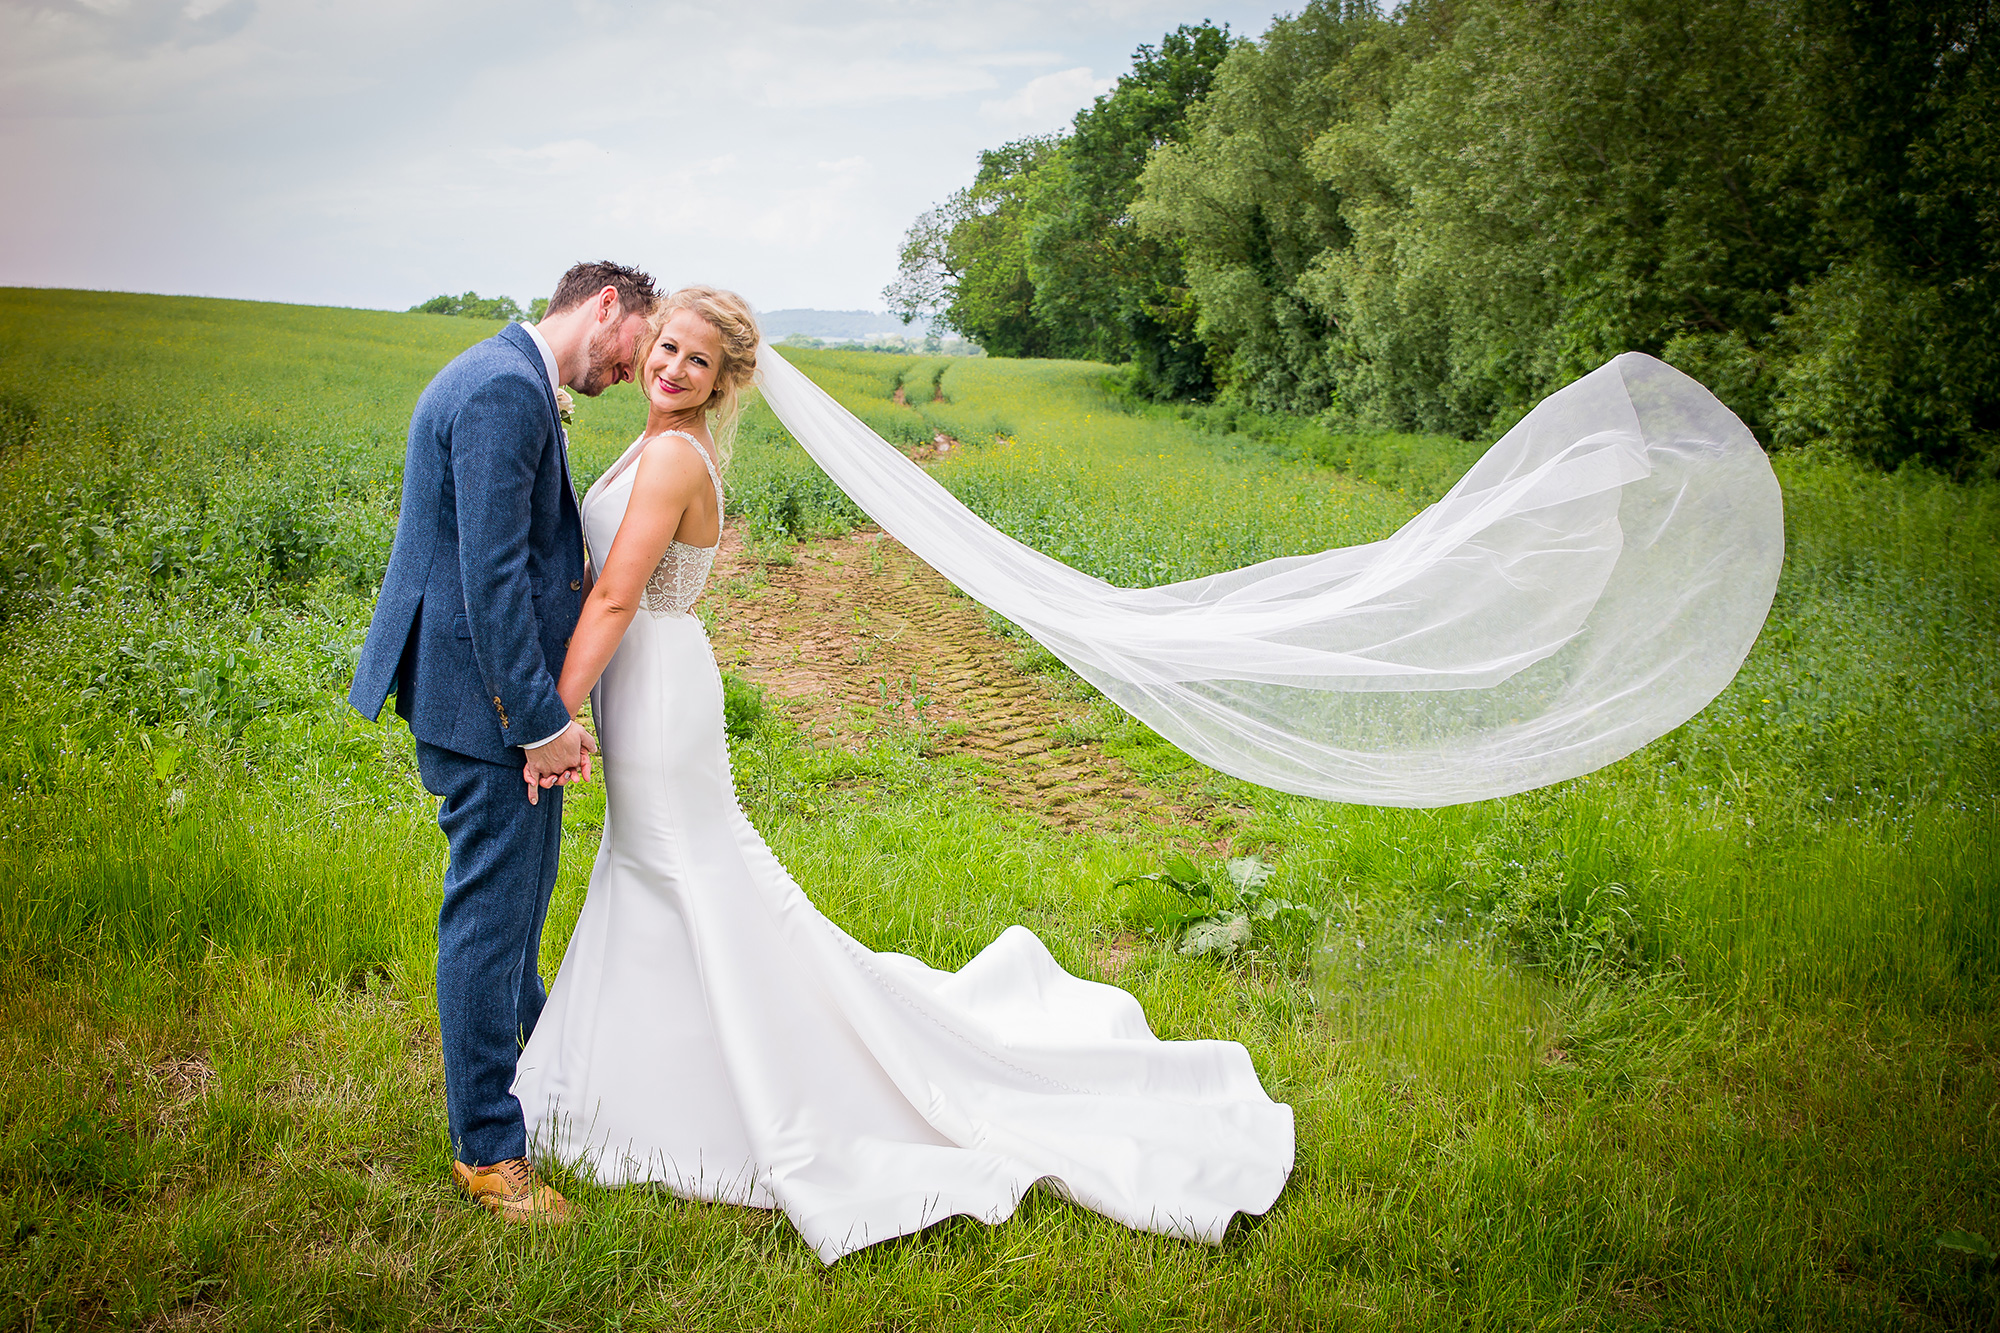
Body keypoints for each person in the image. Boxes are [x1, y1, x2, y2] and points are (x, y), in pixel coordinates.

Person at [511, 286, 1295, 1263]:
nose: (670, 367)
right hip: (644, 682)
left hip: (658, 682)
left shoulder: (674, 454)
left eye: (695, 361)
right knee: (660, 873)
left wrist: (543, 717)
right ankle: (630, 1076)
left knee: (688, 874)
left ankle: (709, 1088)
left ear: (725, 381)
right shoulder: (654, 439)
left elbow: (621, 593)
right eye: (664, 346)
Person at [348, 260, 659, 1223]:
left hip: (484, 699)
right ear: (606, 304)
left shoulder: (508, 376)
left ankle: (539, 1086)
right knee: (489, 921)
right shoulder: (501, 391)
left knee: (516, 909)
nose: (637, 368)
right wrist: (539, 723)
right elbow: (492, 577)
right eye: (641, 343)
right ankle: (489, 1151)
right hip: (486, 709)